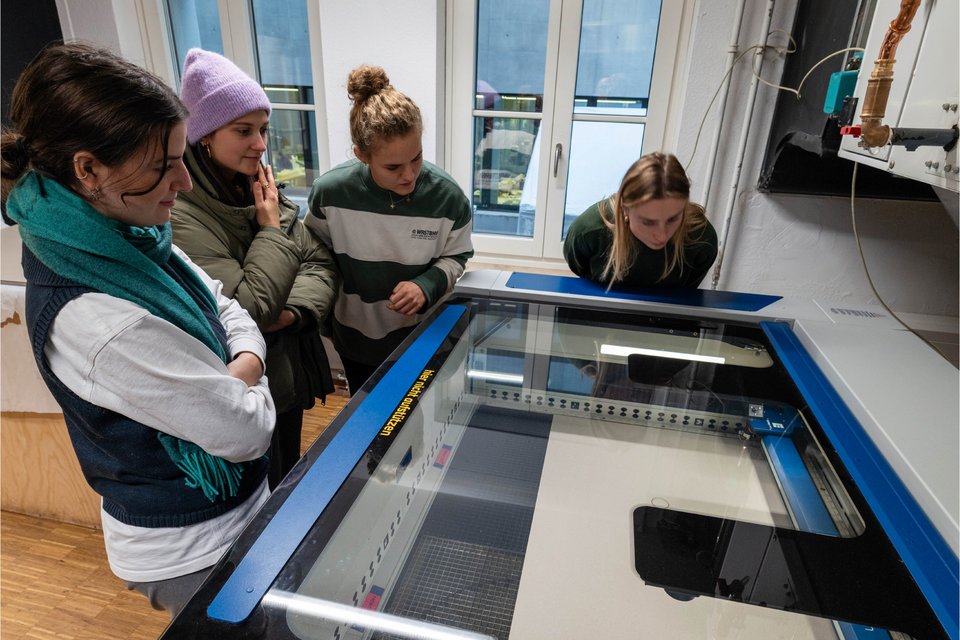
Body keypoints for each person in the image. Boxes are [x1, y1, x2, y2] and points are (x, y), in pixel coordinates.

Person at [0, 42, 275, 617]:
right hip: (193, 542)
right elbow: (246, 430)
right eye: (163, 165)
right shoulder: (94, 316)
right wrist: (247, 372)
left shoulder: (128, 236)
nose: (186, 181)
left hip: (232, 509)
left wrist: (239, 368)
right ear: (88, 168)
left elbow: (227, 307)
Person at [172, 48, 338, 490]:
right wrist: (268, 228)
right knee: (258, 499)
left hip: (287, 370)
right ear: (204, 135)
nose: (261, 144)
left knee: (285, 477)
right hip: (243, 388)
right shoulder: (180, 213)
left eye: (263, 129)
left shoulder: (256, 186)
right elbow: (250, 307)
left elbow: (318, 262)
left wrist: (294, 313)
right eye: (243, 130)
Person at [303, 65, 473, 395]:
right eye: (393, 167)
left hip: (420, 338)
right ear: (361, 155)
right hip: (354, 339)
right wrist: (325, 323)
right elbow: (315, 261)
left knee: (413, 425)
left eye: (417, 158)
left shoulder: (447, 198)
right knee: (363, 419)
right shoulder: (330, 193)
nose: (409, 175)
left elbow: (458, 255)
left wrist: (427, 284)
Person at [563, 152, 718, 289]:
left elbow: (687, 292)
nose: (661, 235)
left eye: (673, 219)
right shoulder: (588, 231)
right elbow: (579, 268)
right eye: (648, 222)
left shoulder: (702, 240)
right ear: (625, 208)